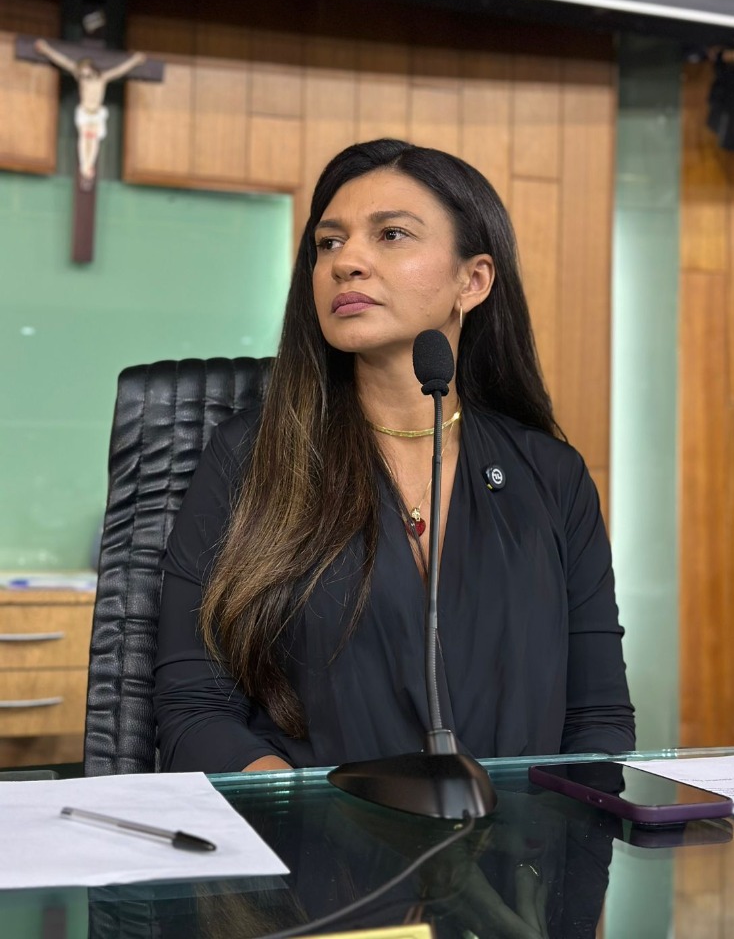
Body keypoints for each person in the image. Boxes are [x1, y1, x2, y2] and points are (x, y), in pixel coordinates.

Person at [154, 138, 635, 774]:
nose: (346, 262)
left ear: (472, 280)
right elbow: (194, 710)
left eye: (392, 235)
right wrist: (299, 810)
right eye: (329, 243)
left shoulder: (552, 475)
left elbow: (598, 718)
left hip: (521, 835)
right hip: (314, 832)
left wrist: (556, 823)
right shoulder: (250, 457)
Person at [33, 39, 146, 186]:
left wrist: (134, 61)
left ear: (90, 68)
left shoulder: (102, 78)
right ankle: (85, 166)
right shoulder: (81, 77)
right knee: (84, 138)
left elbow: (119, 70)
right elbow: (63, 61)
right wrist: (46, 50)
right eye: (81, 71)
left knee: (93, 140)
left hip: (96, 113)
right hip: (85, 112)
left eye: (85, 71)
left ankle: (88, 165)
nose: (83, 73)